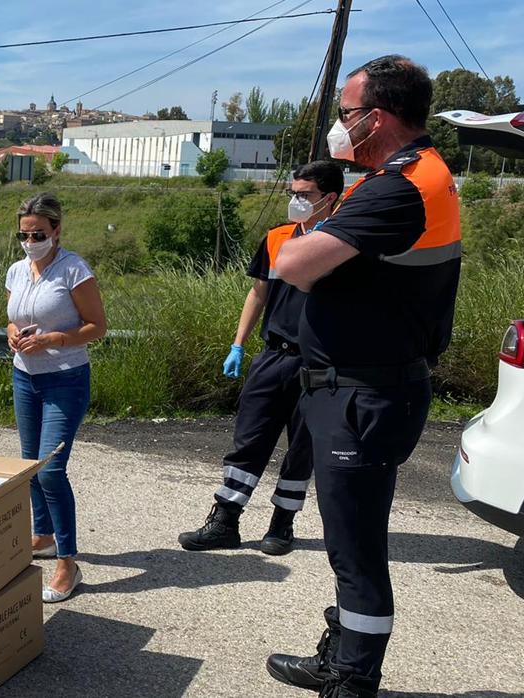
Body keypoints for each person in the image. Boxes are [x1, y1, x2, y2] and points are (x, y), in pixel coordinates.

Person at [267, 55, 461, 697]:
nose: (339, 127)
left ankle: (352, 680)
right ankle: (348, 656)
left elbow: (293, 262)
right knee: (351, 539)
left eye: (346, 115)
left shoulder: (397, 187)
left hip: (363, 394)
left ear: (375, 118)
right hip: (370, 386)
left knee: (355, 549)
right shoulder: (414, 175)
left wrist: (312, 230)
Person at [178, 161, 344, 556]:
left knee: (302, 446)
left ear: (330, 198)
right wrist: (238, 344)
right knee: (249, 440)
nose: (296, 201)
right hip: (273, 356)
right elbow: (258, 293)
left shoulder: (343, 243)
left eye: (305, 195)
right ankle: (225, 520)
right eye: (293, 193)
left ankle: (282, 524)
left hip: (319, 364)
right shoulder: (277, 239)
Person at [5, 192, 107, 603]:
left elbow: (97, 326)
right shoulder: (16, 271)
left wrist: (54, 339)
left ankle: (68, 562)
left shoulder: (74, 270)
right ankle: (43, 535)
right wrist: (11, 333)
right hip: (25, 378)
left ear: (57, 230)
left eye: (38, 234)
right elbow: (12, 318)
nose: (31, 241)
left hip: (65, 378)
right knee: (31, 466)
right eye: (24, 234)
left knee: (50, 470)